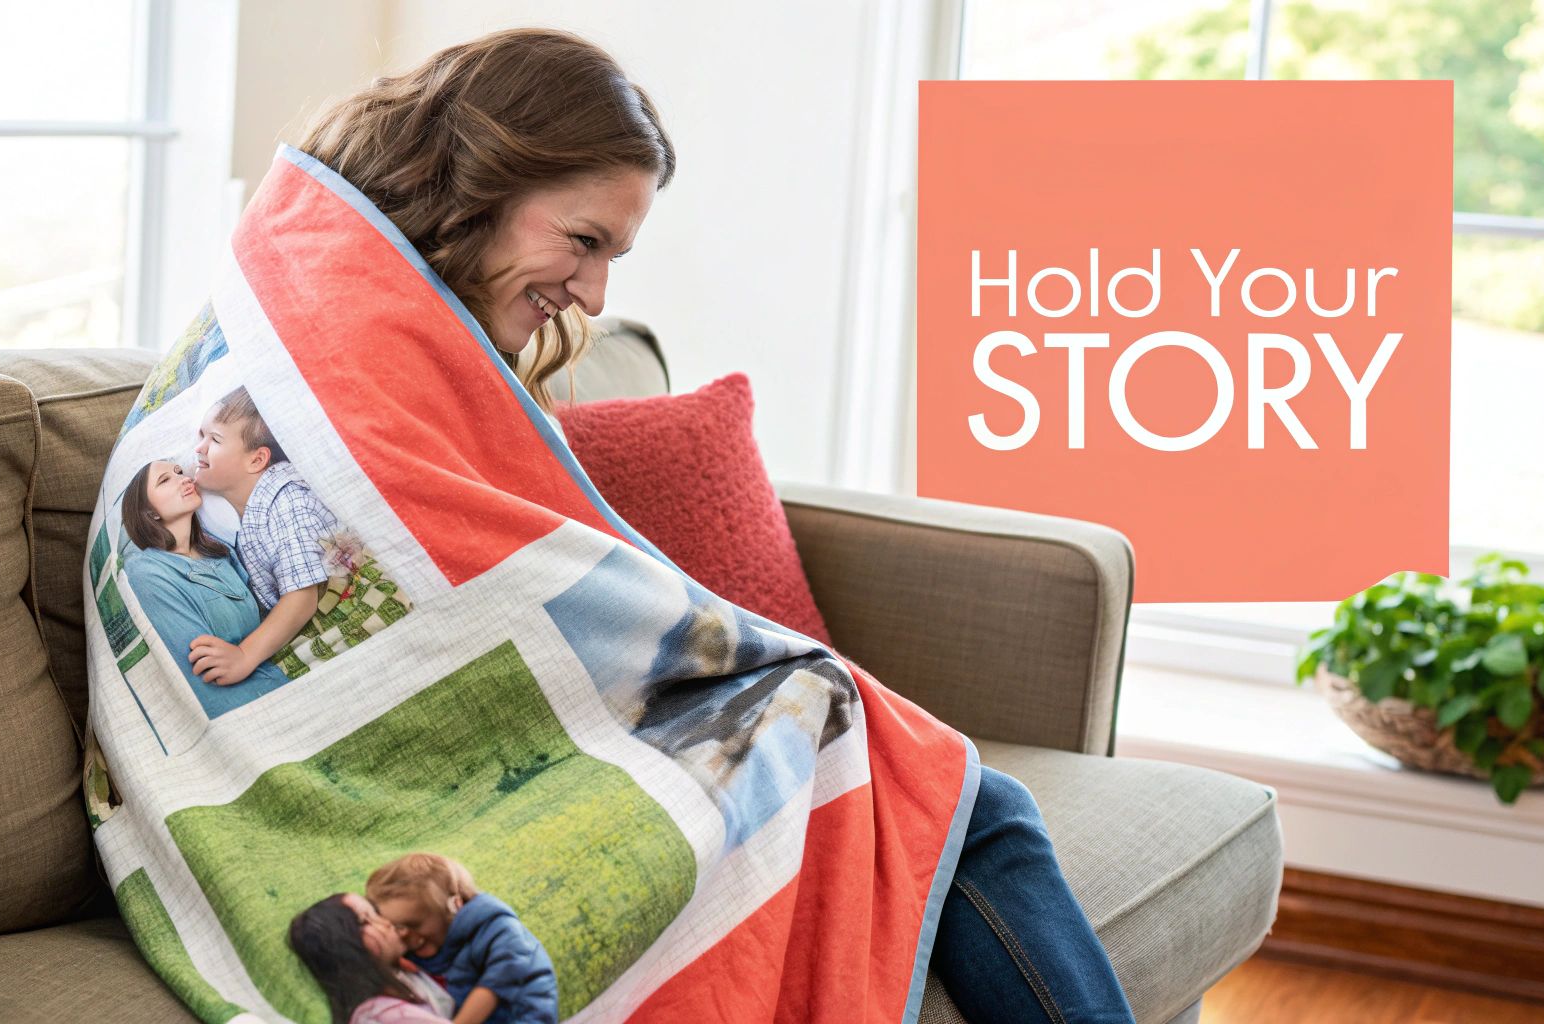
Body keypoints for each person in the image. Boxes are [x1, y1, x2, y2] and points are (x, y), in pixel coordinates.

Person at [297, 27, 1136, 1024]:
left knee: (922, 775)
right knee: (965, 801)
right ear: (482, 184)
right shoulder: (346, 352)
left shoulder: (370, 322)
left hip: (526, 747)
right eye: (584, 240)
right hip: (452, 785)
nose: (596, 293)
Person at [186, 386, 338, 686]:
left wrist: (245, 655)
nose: (199, 448)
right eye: (200, 435)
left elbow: (302, 597)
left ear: (256, 460)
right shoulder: (238, 515)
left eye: (214, 439)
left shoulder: (288, 501)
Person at [119, 460, 293, 715]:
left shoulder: (220, 554)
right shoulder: (146, 571)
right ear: (149, 513)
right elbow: (200, 676)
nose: (183, 478)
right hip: (249, 707)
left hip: (274, 680)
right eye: (165, 480)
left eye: (179, 471)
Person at [365, 852, 557, 1024]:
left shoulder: (495, 927)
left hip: (522, 1014)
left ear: (455, 906)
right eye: (397, 927)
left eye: (414, 924)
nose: (405, 934)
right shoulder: (423, 946)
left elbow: (500, 980)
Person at [288, 892, 454, 1024]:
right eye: (365, 920)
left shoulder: (410, 971)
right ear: (345, 949)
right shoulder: (380, 1017)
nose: (386, 922)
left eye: (376, 913)